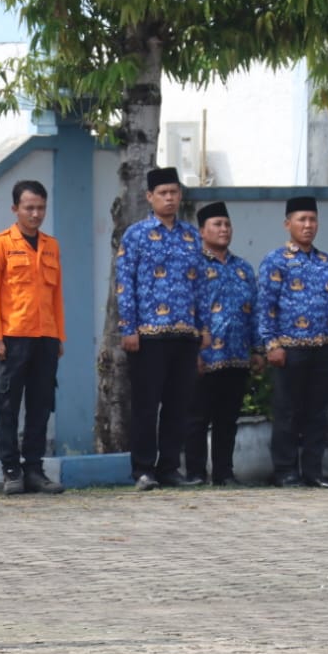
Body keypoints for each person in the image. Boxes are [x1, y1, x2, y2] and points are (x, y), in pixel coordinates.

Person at [115, 166, 203, 490]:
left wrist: (202, 327)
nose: (169, 198)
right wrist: (128, 327)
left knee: (178, 405)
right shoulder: (135, 235)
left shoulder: (192, 235)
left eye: (174, 192)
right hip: (148, 334)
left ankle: (169, 468)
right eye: (163, 193)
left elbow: (201, 287)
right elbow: (125, 283)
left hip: (184, 333)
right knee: (146, 405)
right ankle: (142, 469)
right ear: (149, 197)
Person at [256, 196, 328, 487]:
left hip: (323, 348)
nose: (308, 226)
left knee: (318, 413)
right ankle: (285, 471)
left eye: (312, 220)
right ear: (288, 224)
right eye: (301, 220)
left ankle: (313, 471)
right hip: (289, 348)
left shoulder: (326, 262)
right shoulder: (275, 260)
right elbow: (265, 306)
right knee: (287, 411)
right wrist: (272, 345)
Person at [0, 179, 65, 495]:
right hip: (12, 337)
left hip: (44, 336)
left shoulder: (51, 245)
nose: (35, 214)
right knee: (7, 406)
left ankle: (34, 469)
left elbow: (56, 295)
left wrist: (58, 335)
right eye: (29, 208)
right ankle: (10, 469)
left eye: (41, 207)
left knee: (41, 405)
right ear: (15, 209)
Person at [186, 202, 261, 486]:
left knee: (227, 419)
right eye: (217, 224)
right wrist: (192, 350)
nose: (224, 230)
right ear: (202, 230)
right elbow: (188, 307)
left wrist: (257, 349)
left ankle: (224, 472)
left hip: (237, 355)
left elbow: (254, 310)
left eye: (227, 224)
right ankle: (194, 472)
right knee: (196, 417)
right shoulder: (194, 265)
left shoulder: (243, 268)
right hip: (204, 356)